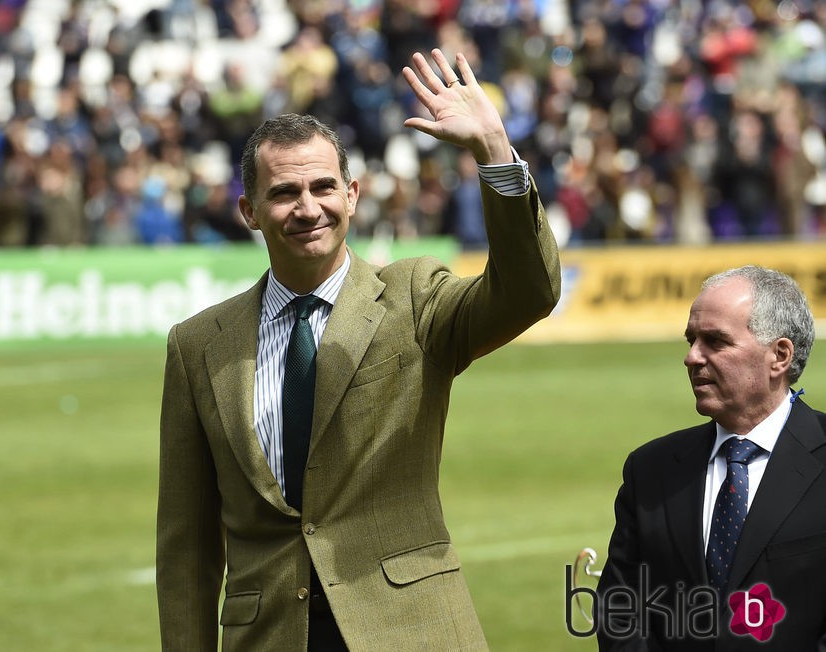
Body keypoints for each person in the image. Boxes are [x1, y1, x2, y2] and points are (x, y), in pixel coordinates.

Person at [156, 48, 561, 651]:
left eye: (323, 187)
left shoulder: (415, 296)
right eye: (285, 192)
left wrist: (494, 152)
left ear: (352, 195)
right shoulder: (197, 346)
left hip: (411, 631)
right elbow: (187, 547)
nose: (307, 207)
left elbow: (529, 291)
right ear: (249, 211)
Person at [596, 265, 825, 650]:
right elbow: (620, 610)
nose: (691, 357)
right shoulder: (650, 469)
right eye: (691, 340)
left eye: (715, 341)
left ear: (779, 356)